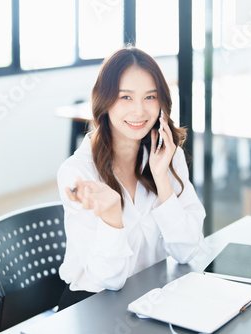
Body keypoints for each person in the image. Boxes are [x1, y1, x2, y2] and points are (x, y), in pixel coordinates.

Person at [56, 46, 206, 310]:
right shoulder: (78, 172)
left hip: (150, 299)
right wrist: (112, 216)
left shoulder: (169, 156)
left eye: (150, 97)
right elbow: (108, 280)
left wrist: (162, 179)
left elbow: (186, 251)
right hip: (93, 306)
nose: (139, 111)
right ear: (104, 100)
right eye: (125, 97)